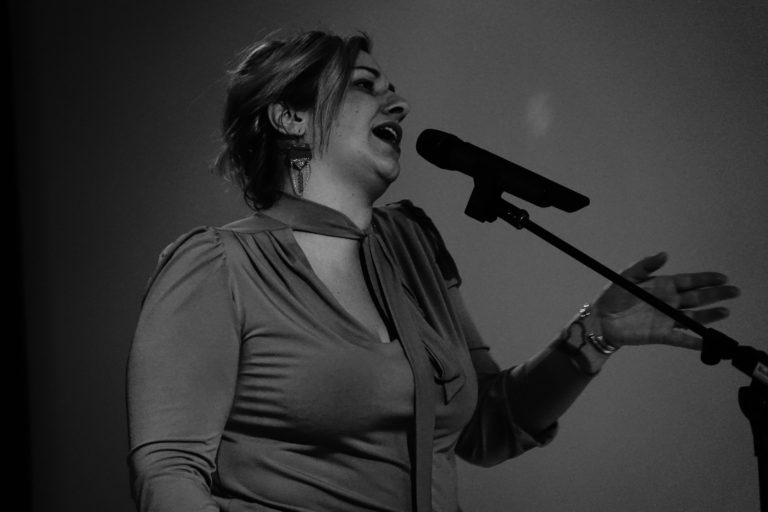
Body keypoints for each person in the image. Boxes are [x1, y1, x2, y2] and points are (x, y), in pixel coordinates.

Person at [126, 30, 739, 512]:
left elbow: (487, 426)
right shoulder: (218, 266)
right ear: (292, 118)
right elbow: (169, 474)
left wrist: (595, 334)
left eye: (392, 89)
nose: (399, 102)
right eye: (365, 85)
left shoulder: (412, 244)